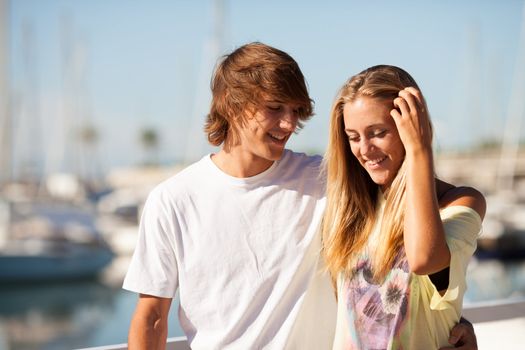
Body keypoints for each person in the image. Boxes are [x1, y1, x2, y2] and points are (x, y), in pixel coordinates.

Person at [123, 43, 478, 349]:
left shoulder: (329, 180)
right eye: (275, 108)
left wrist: (452, 323)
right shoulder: (172, 200)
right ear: (231, 105)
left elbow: (410, 236)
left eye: (296, 111)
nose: (289, 123)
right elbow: (153, 318)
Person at [322, 65, 486, 349]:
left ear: (411, 127)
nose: (365, 149)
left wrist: (420, 150)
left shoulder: (459, 203)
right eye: (353, 137)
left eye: (377, 132)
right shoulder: (352, 210)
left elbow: (424, 259)